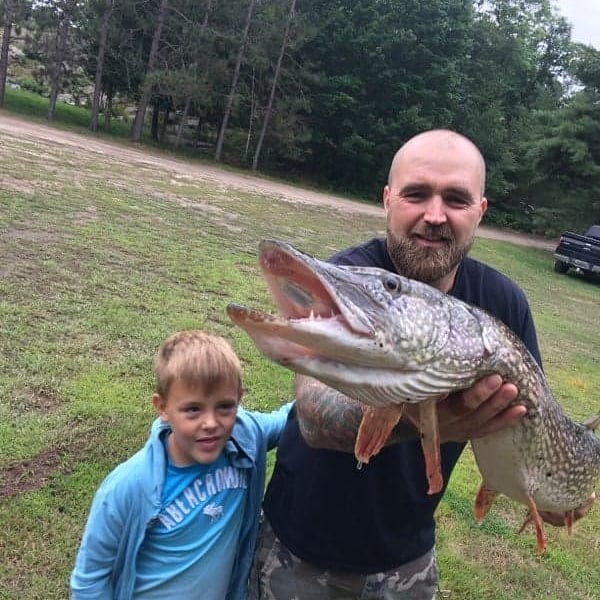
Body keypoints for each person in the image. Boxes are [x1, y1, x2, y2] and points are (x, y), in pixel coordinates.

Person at [249, 129, 543, 599]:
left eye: (456, 199)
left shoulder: (504, 304)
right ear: (387, 200)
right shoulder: (352, 280)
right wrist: (425, 419)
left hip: (408, 557)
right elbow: (315, 415)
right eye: (416, 194)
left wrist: (548, 488)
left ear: (480, 212)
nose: (434, 215)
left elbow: (534, 423)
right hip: (299, 549)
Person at [70, 330, 291, 599]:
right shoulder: (128, 485)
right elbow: (89, 580)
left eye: (224, 406)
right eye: (192, 409)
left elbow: (290, 416)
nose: (210, 423)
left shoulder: (246, 436)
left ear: (239, 398)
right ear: (162, 407)